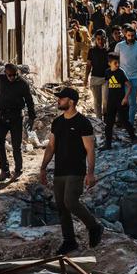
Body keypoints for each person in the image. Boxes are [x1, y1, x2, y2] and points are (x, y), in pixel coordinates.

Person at [39, 87, 103, 255]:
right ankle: (69, 241)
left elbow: (90, 150)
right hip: (60, 170)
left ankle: (94, 227)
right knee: (61, 207)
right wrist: (43, 168)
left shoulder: (83, 123)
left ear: (71, 101)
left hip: (76, 171)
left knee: (70, 202)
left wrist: (90, 173)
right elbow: (51, 146)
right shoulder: (57, 122)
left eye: (62, 98)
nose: (58, 100)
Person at [0, 63, 36, 181]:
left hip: (16, 116)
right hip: (2, 115)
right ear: (5, 73)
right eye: (9, 75)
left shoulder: (23, 83)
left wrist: (32, 117)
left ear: (17, 73)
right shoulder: (1, 79)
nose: (12, 77)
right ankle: (4, 170)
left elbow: (29, 101)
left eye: (14, 75)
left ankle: (18, 170)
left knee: (16, 146)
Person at [114, 26, 137, 126]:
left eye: (132, 35)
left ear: (135, 35)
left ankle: (130, 123)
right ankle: (122, 120)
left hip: (135, 77)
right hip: (122, 78)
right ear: (125, 35)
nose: (130, 37)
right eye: (128, 36)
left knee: (132, 102)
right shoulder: (119, 46)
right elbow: (115, 61)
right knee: (121, 101)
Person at [103, 53, 135, 148]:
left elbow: (129, 86)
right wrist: (105, 101)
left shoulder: (121, 72)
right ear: (109, 63)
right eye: (115, 63)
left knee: (124, 120)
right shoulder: (107, 72)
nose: (117, 65)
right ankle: (108, 144)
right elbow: (106, 86)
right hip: (111, 101)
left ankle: (133, 138)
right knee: (109, 123)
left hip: (121, 101)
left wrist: (125, 98)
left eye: (118, 63)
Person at [85, 30, 109, 117]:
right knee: (97, 101)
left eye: (102, 39)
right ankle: (99, 120)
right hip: (95, 78)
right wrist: (85, 79)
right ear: (95, 39)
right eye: (98, 39)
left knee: (106, 100)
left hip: (106, 79)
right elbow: (88, 65)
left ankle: (106, 119)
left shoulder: (109, 50)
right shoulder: (91, 51)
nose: (100, 41)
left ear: (105, 39)